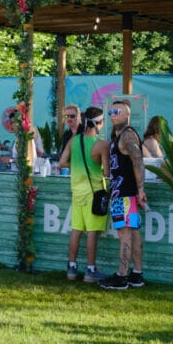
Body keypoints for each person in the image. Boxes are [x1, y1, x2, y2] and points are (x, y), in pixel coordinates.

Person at [99, 100, 147, 290]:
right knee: (132, 232)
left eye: (117, 111)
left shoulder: (127, 136)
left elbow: (138, 161)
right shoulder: (119, 136)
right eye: (110, 112)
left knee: (125, 234)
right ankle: (137, 274)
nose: (113, 115)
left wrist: (141, 189)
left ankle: (121, 276)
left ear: (127, 115)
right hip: (125, 193)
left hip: (124, 194)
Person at [59, 106, 107, 284]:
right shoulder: (101, 144)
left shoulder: (75, 140)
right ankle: (90, 270)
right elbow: (107, 172)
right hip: (94, 192)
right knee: (92, 233)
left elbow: (62, 162)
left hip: (76, 191)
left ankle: (71, 268)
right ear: (100, 122)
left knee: (76, 231)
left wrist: (76, 165)